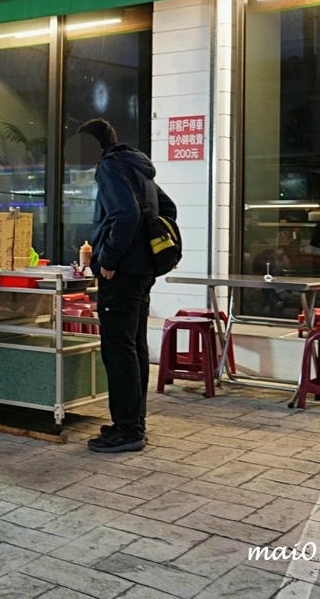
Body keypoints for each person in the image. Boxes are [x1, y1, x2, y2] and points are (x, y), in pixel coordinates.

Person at [78, 118, 176, 453]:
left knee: (118, 350)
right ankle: (134, 423)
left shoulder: (109, 167)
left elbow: (125, 214)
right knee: (134, 347)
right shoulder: (138, 167)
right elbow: (167, 209)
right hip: (142, 271)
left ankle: (127, 429)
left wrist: (108, 259)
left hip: (121, 274)